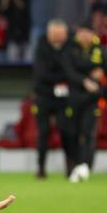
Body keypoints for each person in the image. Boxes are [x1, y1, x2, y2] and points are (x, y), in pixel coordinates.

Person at [63, 23, 107, 183]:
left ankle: (85, 166)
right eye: (82, 32)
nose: (85, 36)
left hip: (92, 100)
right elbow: (68, 71)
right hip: (73, 100)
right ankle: (73, 166)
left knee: (88, 133)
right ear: (77, 34)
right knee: (71, 134)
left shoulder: (100, 50)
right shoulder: (70, 49)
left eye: (88, 32)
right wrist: (87, 79)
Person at [32, 19, 73, 178]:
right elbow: (41, 74)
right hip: (43, 96)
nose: (57, 38)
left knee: (66, 131)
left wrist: (64, 75)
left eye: (60, 34)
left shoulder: (70, 47)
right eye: (54, 34)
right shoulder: (41, 47)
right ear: (48, 34)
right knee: (43, 133)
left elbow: (72, 71)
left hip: (64, 98)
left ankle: (70, 167)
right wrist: (63, 75)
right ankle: (41, 168)